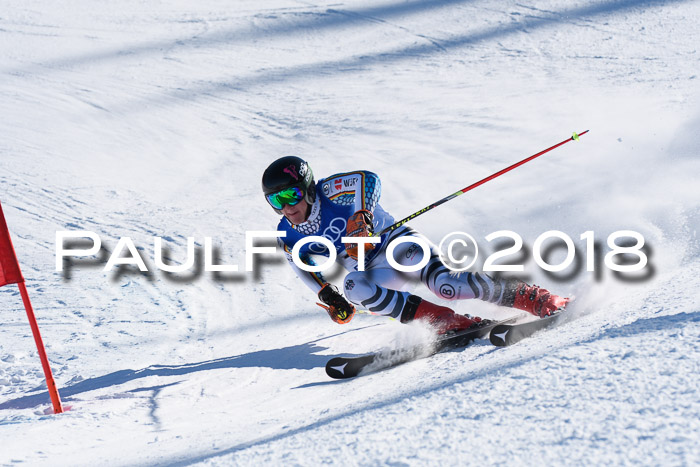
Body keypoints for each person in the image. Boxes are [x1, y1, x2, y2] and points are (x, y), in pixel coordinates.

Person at [262, 156, 569, 334]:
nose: (286, 206)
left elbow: (368, 180)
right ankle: (446, 321)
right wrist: (329, 296)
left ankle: (533, 297)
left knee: (447, 285)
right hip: (371, 269)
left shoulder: (329, 190)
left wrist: (362, 214)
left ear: (307, 187)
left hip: (397, 244)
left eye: (291, 195)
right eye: (276, 200)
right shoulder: (288, 232)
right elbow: (302, 265)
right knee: (355, 288)